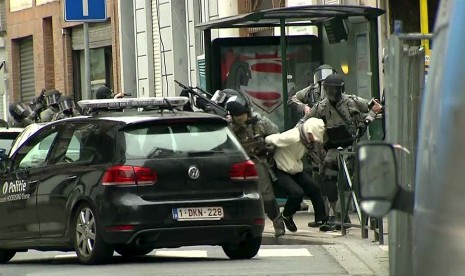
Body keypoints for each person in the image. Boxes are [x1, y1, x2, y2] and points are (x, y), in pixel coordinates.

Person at [301, 73, 383, 231]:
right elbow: (305, 121)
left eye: (335, 90)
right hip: (332, 148)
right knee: (328, 178)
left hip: (350, 146)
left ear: (341, 89)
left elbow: (375, 107)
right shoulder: (321, 106)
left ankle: (339, 216)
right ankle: (339, 215)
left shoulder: (352, 101)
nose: (333, 93)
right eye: (330, 90)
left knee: (345, 182)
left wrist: (367, 120)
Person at [224, 93, 286, 238]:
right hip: (239, 164)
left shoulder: (260, 122)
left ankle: (278, 223)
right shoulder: (229, 127)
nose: (239, 118)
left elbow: (277, 135)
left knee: (267, 195)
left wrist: (269, 147)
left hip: (258, 160)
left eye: (241, 114)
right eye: (236, 115)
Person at [265, 117, 328, 231]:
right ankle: (286, 215)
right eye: (312, 136)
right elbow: (273, 139)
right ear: (308, 131)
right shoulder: (293, 136)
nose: (313, 139)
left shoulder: (306, 139)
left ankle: (322, 220)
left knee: (314, 188)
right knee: (297, 193)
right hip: (280, 168)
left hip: (294, 168)